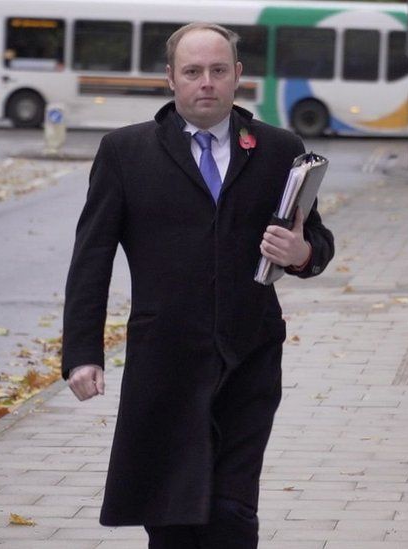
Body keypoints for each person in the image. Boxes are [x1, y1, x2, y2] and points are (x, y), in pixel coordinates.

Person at [61, 22, 334, 548]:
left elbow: (315, 239)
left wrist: (301, 254)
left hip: (249, 357)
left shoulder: (278, 149)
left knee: (231, 511)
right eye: (192, 72)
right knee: (171, 517)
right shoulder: (125, 152)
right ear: (171, 79)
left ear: (237, 76)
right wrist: (82, 353)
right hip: (164, 364)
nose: (205, 82)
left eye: (217, 70)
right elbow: (91, 259)